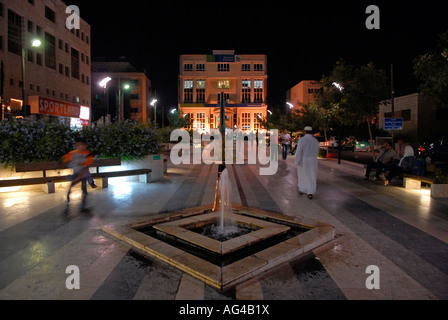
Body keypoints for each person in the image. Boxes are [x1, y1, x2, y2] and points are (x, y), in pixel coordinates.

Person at [62, 138, 96, 213]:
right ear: (77, 145)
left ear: (85, 146)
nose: (81, 147)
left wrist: (79, 177)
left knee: (84, 190)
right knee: (70, 190)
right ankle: (67, 207)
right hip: (76, 173)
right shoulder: (73, 153)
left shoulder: (87, 154)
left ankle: (82, 207)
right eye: (80, 145)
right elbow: (66, 161)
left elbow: (86, 168)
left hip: (82, 174)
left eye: (83, 145)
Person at [295, 126, 320, 199]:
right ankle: (310, 192)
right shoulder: (315, 140)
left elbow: (299, 151)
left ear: (304, 132)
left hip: (304, 160)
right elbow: (317, 151)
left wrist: (297, 161)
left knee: (302, 175)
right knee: (312, 176)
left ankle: (302, 189)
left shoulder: (302, 140)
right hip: (313, 160)